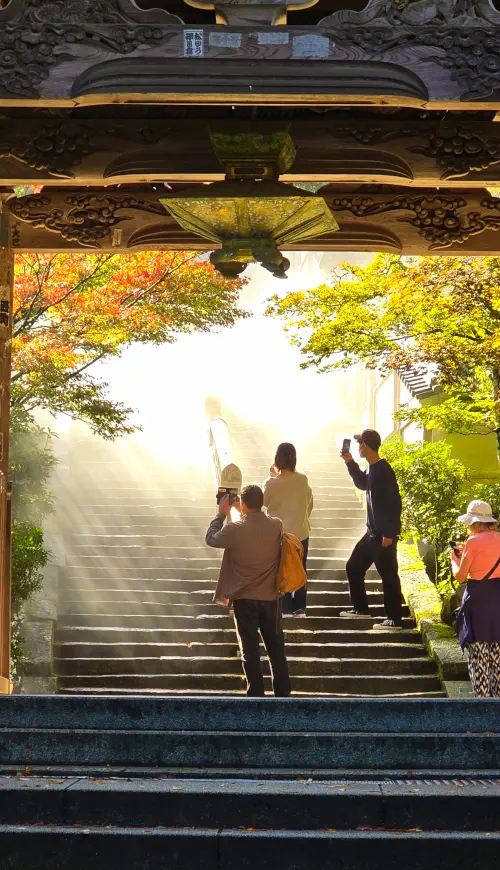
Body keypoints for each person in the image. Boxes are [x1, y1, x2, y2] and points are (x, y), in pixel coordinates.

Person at [205, 484, 291, 697]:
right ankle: (283, 694)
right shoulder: (276, 526)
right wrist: (241, 509)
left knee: (250, 651)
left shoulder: (235, 529)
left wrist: (221, 513)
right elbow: (260, 525)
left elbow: (211, 538)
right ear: (262, 502)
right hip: (271, 597)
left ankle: (256, 695)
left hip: (245, 598)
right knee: (276, 649)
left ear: (243, 504)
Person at [340, 429, 403, 630]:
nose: (358, 448)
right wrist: (349, 461)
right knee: (353, 567)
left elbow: (395, 502)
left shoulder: (383, 469)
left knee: (388, 574)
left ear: (366, 445)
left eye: (360, 445)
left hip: (383, 534)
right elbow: (362, 483)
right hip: (372, 533)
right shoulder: (372, 469)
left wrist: (390, 533)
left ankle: (394, 619)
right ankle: (360, 609)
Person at [451, 500, 500, 698]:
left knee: (479, 654)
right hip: (497, 596)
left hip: (478, 599)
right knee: (497, 654)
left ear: (477, 523)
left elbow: (461, 576)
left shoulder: (473, 542)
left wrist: (455, 560)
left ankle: (481, 706)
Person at [263, 442, 313, 617]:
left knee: (280, 568)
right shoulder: (303, 479)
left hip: (280, 535)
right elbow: (309, 503)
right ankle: (300, 607)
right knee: (300, 567)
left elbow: (263, 502)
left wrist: (272, 476)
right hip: (301, 532)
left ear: (277, 458)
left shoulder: (270, 483)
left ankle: (284, 606)